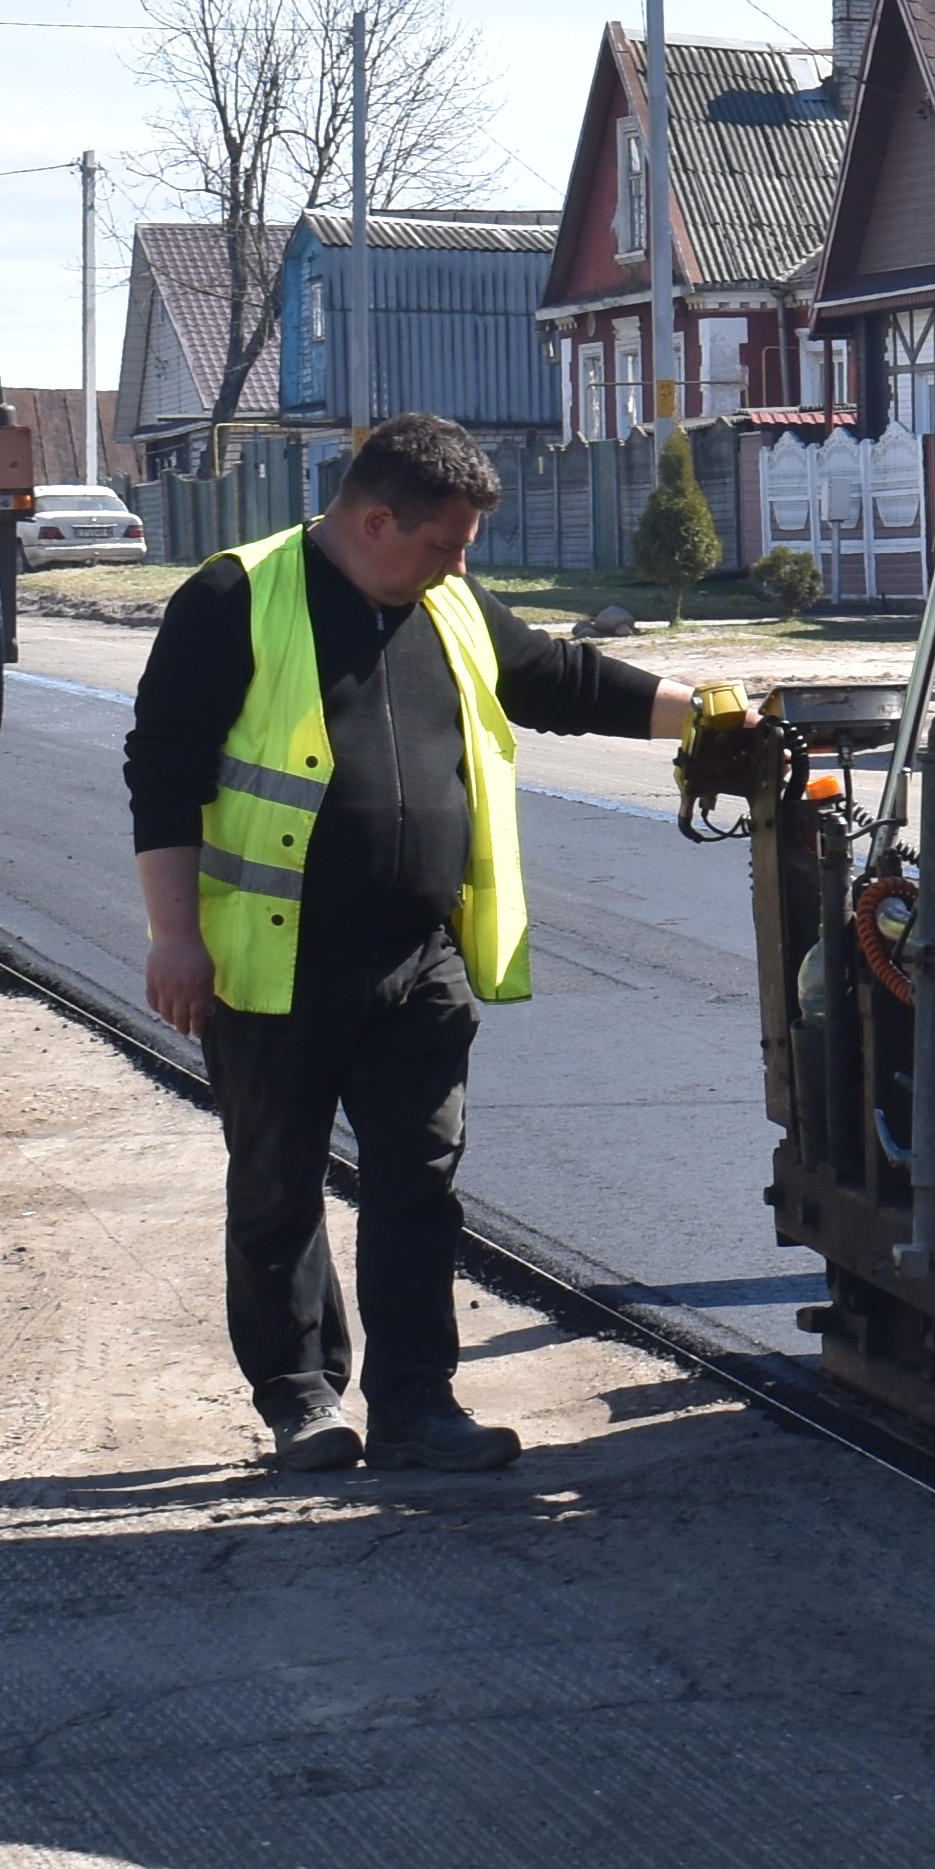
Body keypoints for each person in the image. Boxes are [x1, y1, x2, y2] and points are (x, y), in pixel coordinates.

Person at [125, 416, 685, 1477]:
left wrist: (710, 719)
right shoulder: (236, 597)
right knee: (279, 1187)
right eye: (443, 545)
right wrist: (174, 936)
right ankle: (301, 1397)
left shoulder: (447, 602)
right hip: (274, 961)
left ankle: (417, 1405)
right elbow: (161, 770)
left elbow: (561, 680)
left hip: (416, 959)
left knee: (419, 1187)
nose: (458, 568)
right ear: (377, 521)